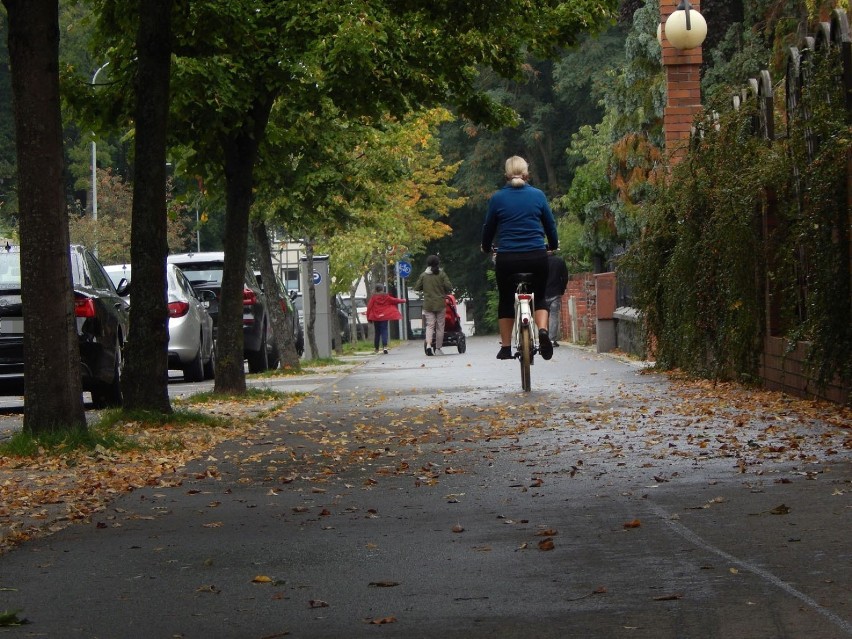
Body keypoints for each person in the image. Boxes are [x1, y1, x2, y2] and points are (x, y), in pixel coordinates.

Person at [481, 155, 558, 361]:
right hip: (536, 256)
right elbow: (550, 225)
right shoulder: (538, 195)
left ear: (506, 175)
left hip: (507, 259)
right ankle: (542, 330)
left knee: (506, 299)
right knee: (540, 296)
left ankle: (506, 347)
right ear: (526, 173)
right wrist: (554, 245)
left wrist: (486, 247)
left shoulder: (497, 198)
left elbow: (489, 228)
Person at [412, 255, 453, 356]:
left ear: (428, 263)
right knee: (440, 327)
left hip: (428, 304)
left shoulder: (423, 275)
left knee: (430, 326)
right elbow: (449, 286)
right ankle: (438, 349)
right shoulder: (442, 274)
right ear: (438, 263)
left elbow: (416, 287)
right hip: (440, 304)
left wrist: (425, 288)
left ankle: (429, 345)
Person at [365, 284, 406, 354]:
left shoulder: (373, 297)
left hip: (376, 317)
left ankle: (376, 348)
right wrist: (403, 300)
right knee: (384, 331)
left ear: (376, 289)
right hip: (384, 316)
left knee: (377, 332)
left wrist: (368, 317)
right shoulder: (386, 296)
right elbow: (394, 300)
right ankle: (385, 347)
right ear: (382, 289)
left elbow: (369, 307)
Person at [545, 252, 569, 347]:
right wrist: (562, 289)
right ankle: (551, 340)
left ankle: (543, 338)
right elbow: (565, 277)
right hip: (555, 293)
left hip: (542, 293)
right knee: (554, 316)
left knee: (542, 316)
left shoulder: (540, 261)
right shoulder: (559, 261)